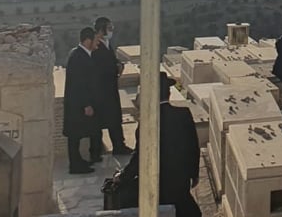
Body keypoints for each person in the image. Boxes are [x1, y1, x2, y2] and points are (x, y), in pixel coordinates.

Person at [117, 73, 201, 217]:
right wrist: (194, 174)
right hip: (181, 177)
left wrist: (123, 176)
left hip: (158, 180)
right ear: (168, 94)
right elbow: (193, 147)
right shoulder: (183, 114)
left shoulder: (147, 122)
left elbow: (140, 157)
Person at [91, 17, 132, 156]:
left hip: (110, 88)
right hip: (101, 90)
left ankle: (119, 146)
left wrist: (119, 64)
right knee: (100, 121)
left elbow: (112, 60)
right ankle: (97, 150)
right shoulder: (96, 46)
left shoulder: (107, 43)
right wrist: (115, 68)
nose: (111, 31)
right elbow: (100, 68)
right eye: (109, 28)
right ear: (101, 29)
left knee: (114, 119)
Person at [64, 27, 101, 174]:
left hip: (78, 104)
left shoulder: (82, 55)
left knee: (77, 135)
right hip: (77, 105)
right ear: (87, 41)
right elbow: (78, 83)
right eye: (95, 40)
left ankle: (78, 161)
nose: (97, 43)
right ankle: (75, 165)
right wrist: (86, 104)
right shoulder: (78, 58)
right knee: (74, 136)